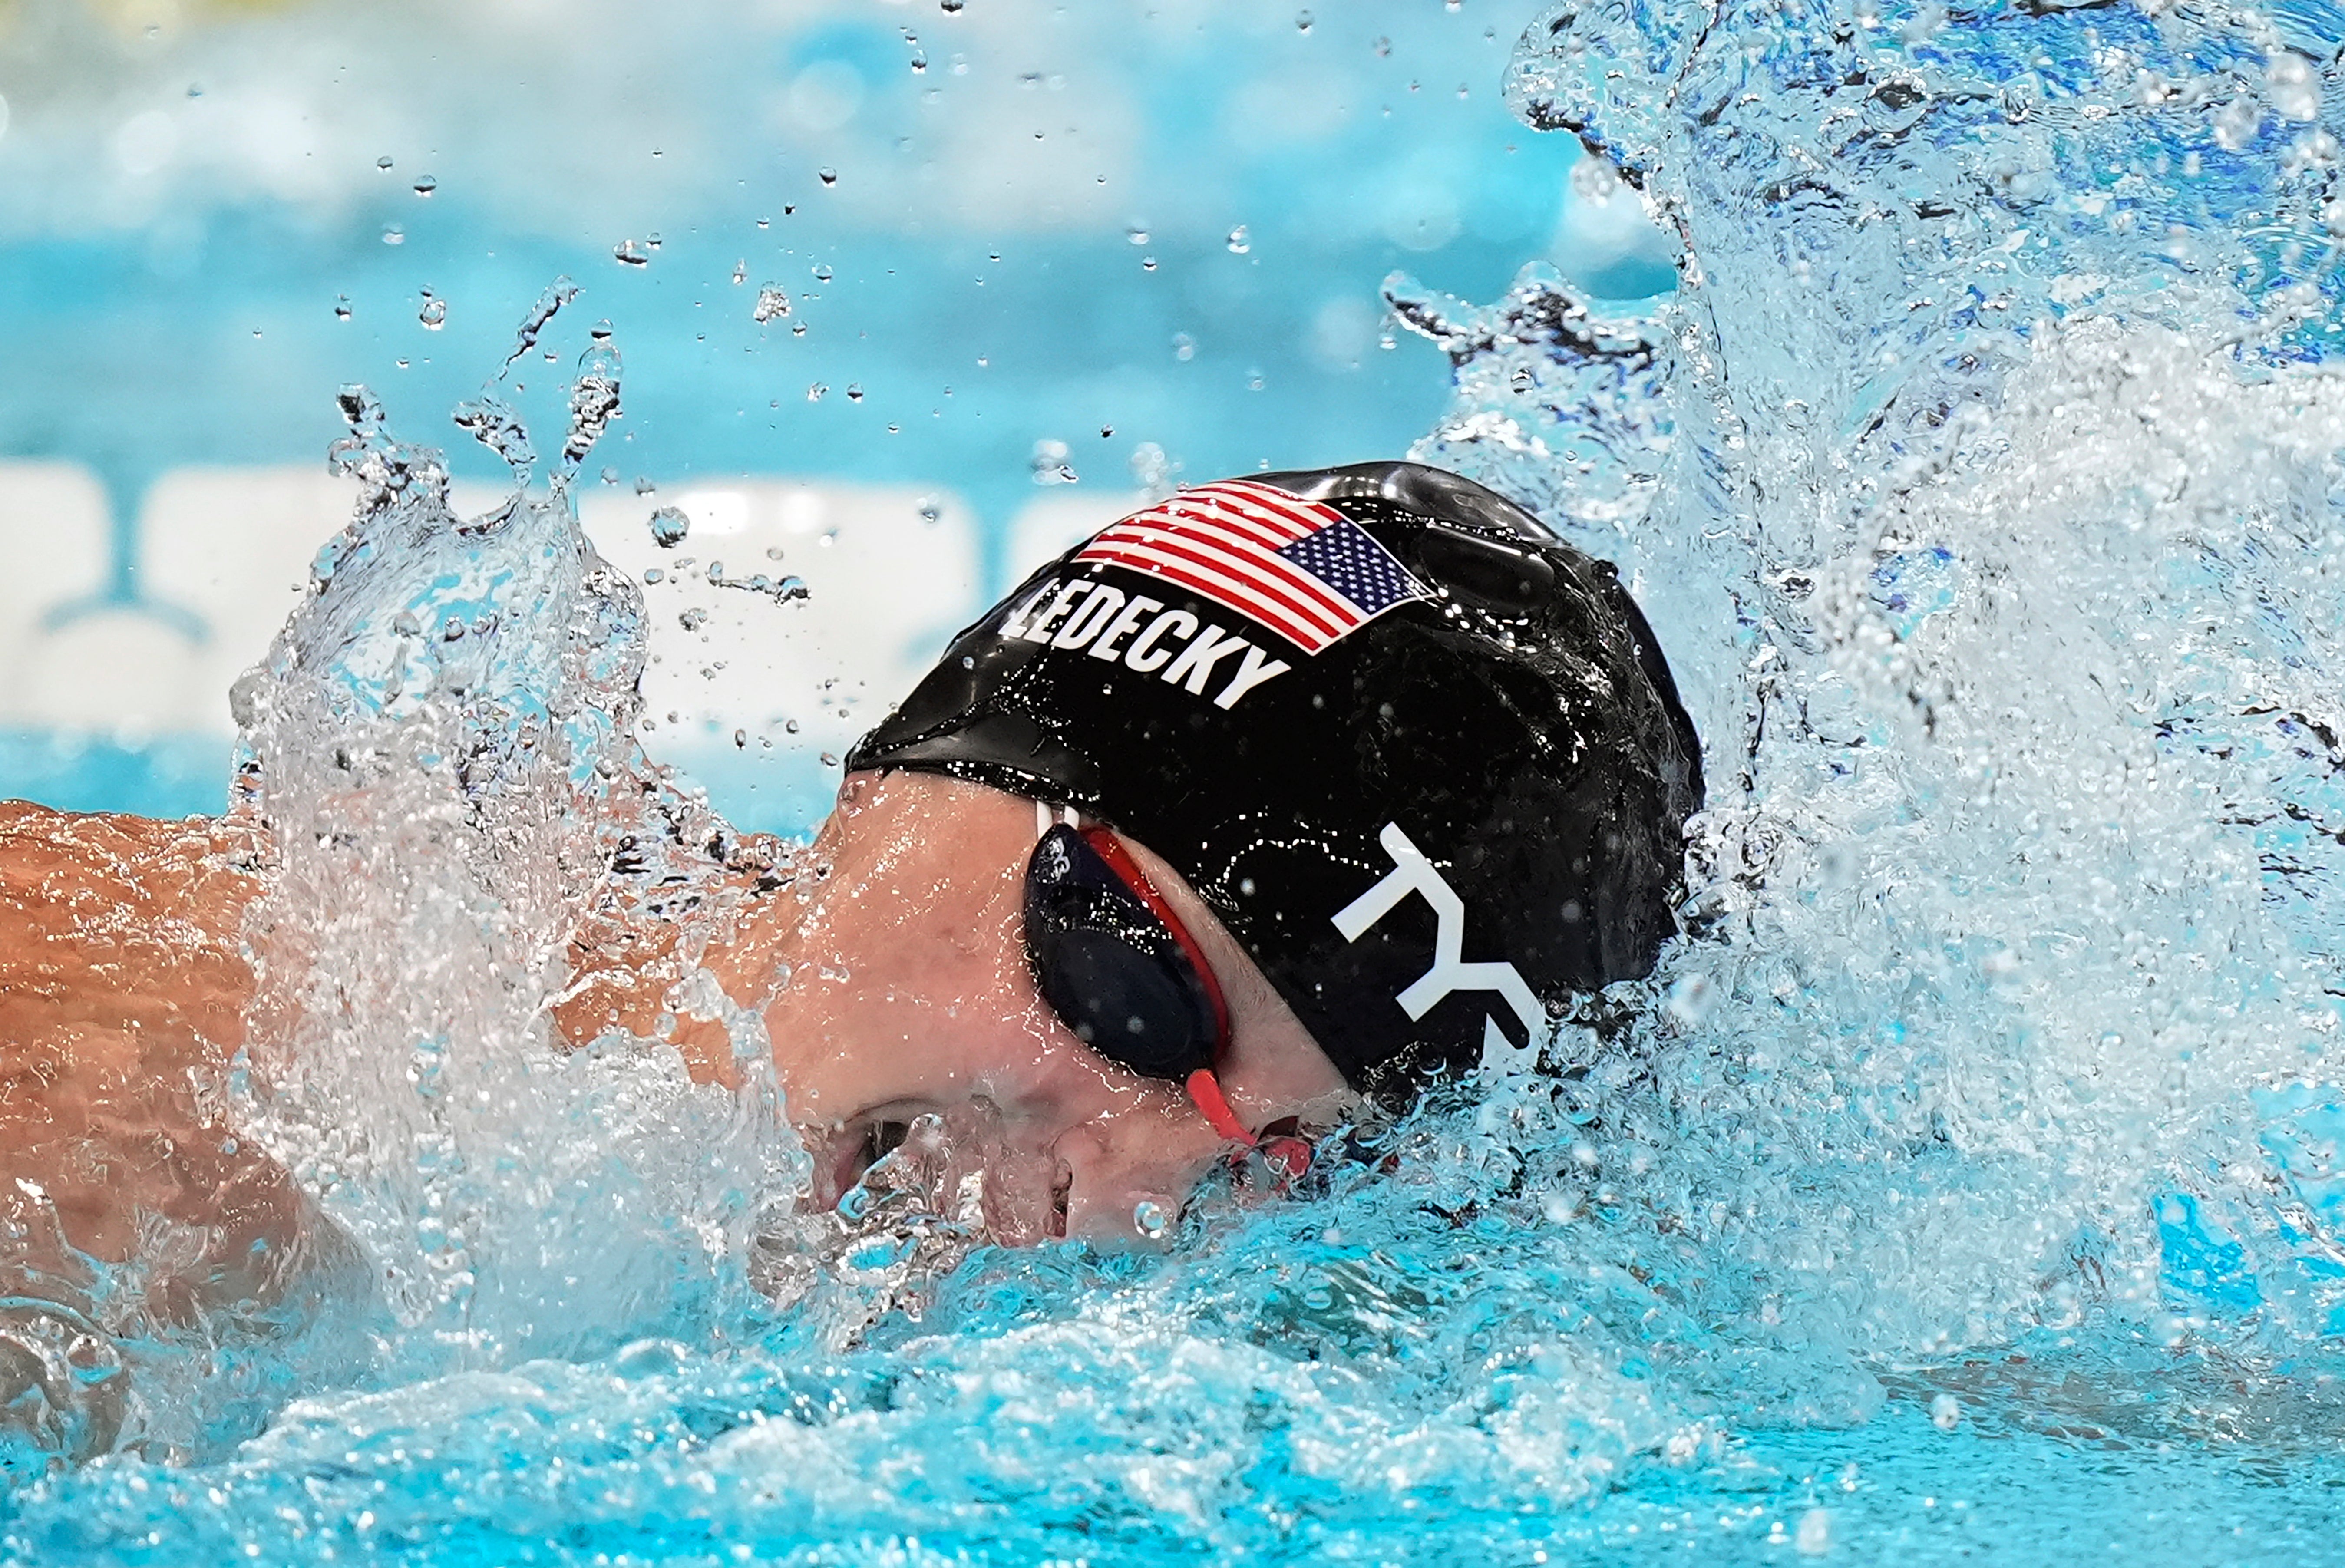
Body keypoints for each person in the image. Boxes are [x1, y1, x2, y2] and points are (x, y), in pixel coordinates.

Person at [0, 460, 1700, 1453]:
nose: (1105, 1201)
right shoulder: (157, 1119)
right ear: (916, 778)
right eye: (1130, 982)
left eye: (1276, 1167)